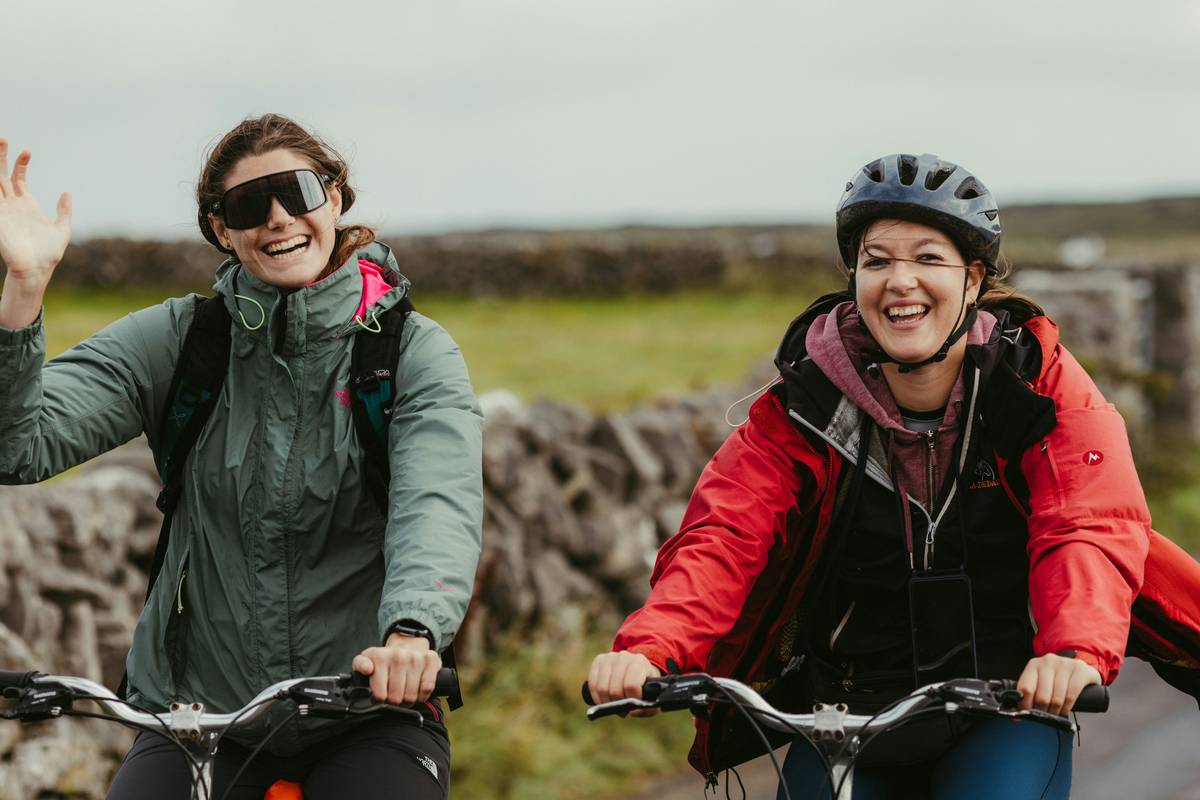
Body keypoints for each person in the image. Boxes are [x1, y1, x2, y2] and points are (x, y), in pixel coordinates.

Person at [588, 153, 1154, 798]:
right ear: (854, 275)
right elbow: (725, 536)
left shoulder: (1036, 388)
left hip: (1005, 707)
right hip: (842, 712)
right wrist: (650, 647)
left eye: (928, 259)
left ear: (973, 280)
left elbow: (1087, 522)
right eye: (878, 260)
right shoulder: (805, 404)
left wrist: (1074, 652)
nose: (900, 281)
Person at [0, 115, 483, 799]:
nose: (279, 217)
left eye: (300, 191)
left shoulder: (408, 352)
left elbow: (437, 500)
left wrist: (412, 633)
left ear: (337, 198)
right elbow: (19, 447)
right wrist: (23, 289)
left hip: (369, 708)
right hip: (199, 716)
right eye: (249, 205)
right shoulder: (181, 340)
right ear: (221, 230)